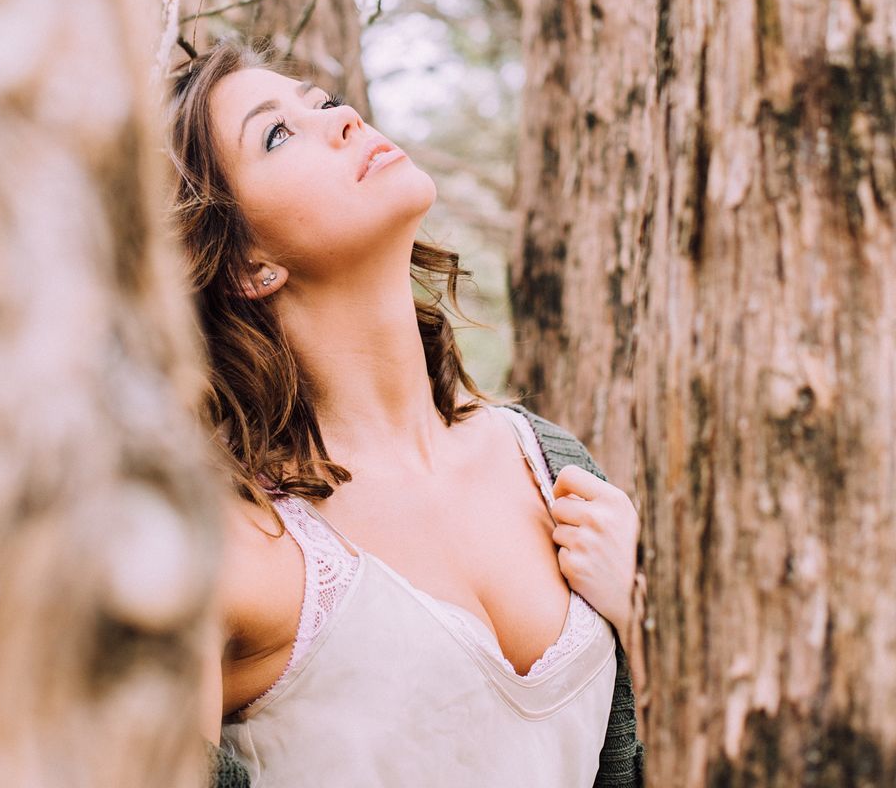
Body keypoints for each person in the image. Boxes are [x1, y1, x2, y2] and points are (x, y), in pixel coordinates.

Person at [168, 39, 644, 788]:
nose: (344, 119)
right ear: (245, 264)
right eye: (277, 133)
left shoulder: (553, 467)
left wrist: (646, 629)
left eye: (321, 101)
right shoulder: (220, 541)